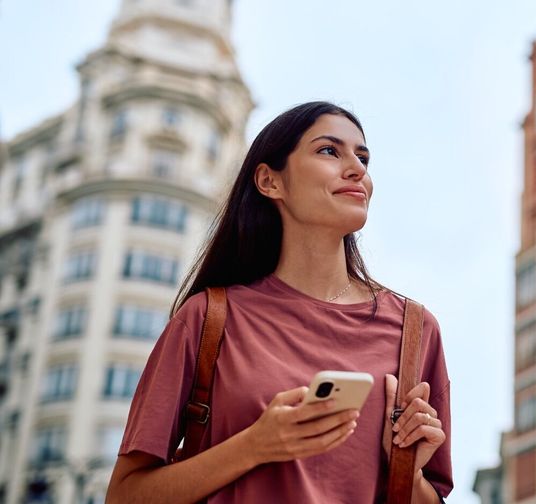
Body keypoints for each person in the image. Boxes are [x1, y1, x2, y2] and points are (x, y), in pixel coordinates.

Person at [105, 102, 453, 503]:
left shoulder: (416, 329)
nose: (358, 169)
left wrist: (407, 474)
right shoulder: (207, 318)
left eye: (363, 157)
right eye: (329, 151)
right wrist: (256, 445)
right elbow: (124, 495)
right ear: (270, 182)